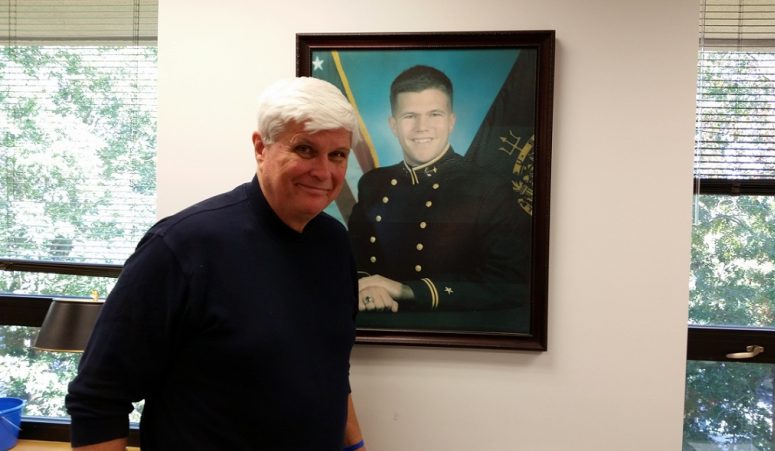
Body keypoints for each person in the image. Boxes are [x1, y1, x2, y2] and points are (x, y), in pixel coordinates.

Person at [66, 77, 367, 450]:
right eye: (305, 149)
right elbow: (98, 398)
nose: (324, 172)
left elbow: (332, 370)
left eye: (337, 155)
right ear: (261, 147)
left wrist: (355, 446)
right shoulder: (180, 247)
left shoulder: (335, 243)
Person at [347, 65, 531, 333]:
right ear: (393, 125)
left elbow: (509, 283)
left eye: (434, 114)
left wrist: (408, 290)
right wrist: (366, 286)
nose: (422, 127)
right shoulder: (373, 184)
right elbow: (354, 257)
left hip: (447, 331)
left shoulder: (488, 187)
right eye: (410, 116)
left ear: (451, 121)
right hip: (375, 326)